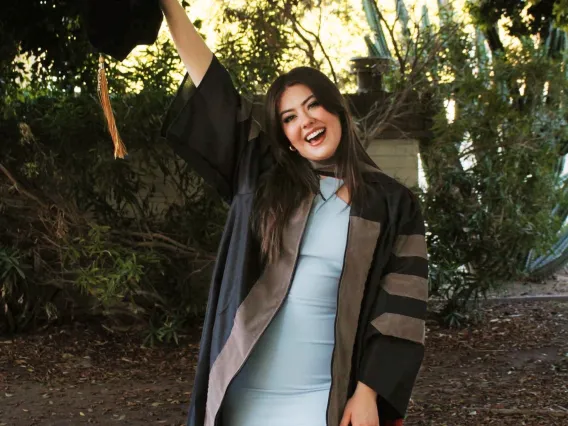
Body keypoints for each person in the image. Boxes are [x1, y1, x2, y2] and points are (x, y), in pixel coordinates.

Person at [159, 1, 428, 426]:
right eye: (288, 118)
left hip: (322, 397)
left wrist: (367, 393)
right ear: (283, 136)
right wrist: (169, 6)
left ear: (337, 109)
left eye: (312, 106)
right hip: (242, 395)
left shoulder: (392, 204)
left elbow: (400, 310)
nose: (305, 121)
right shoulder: (265, 178)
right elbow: (215, 89)